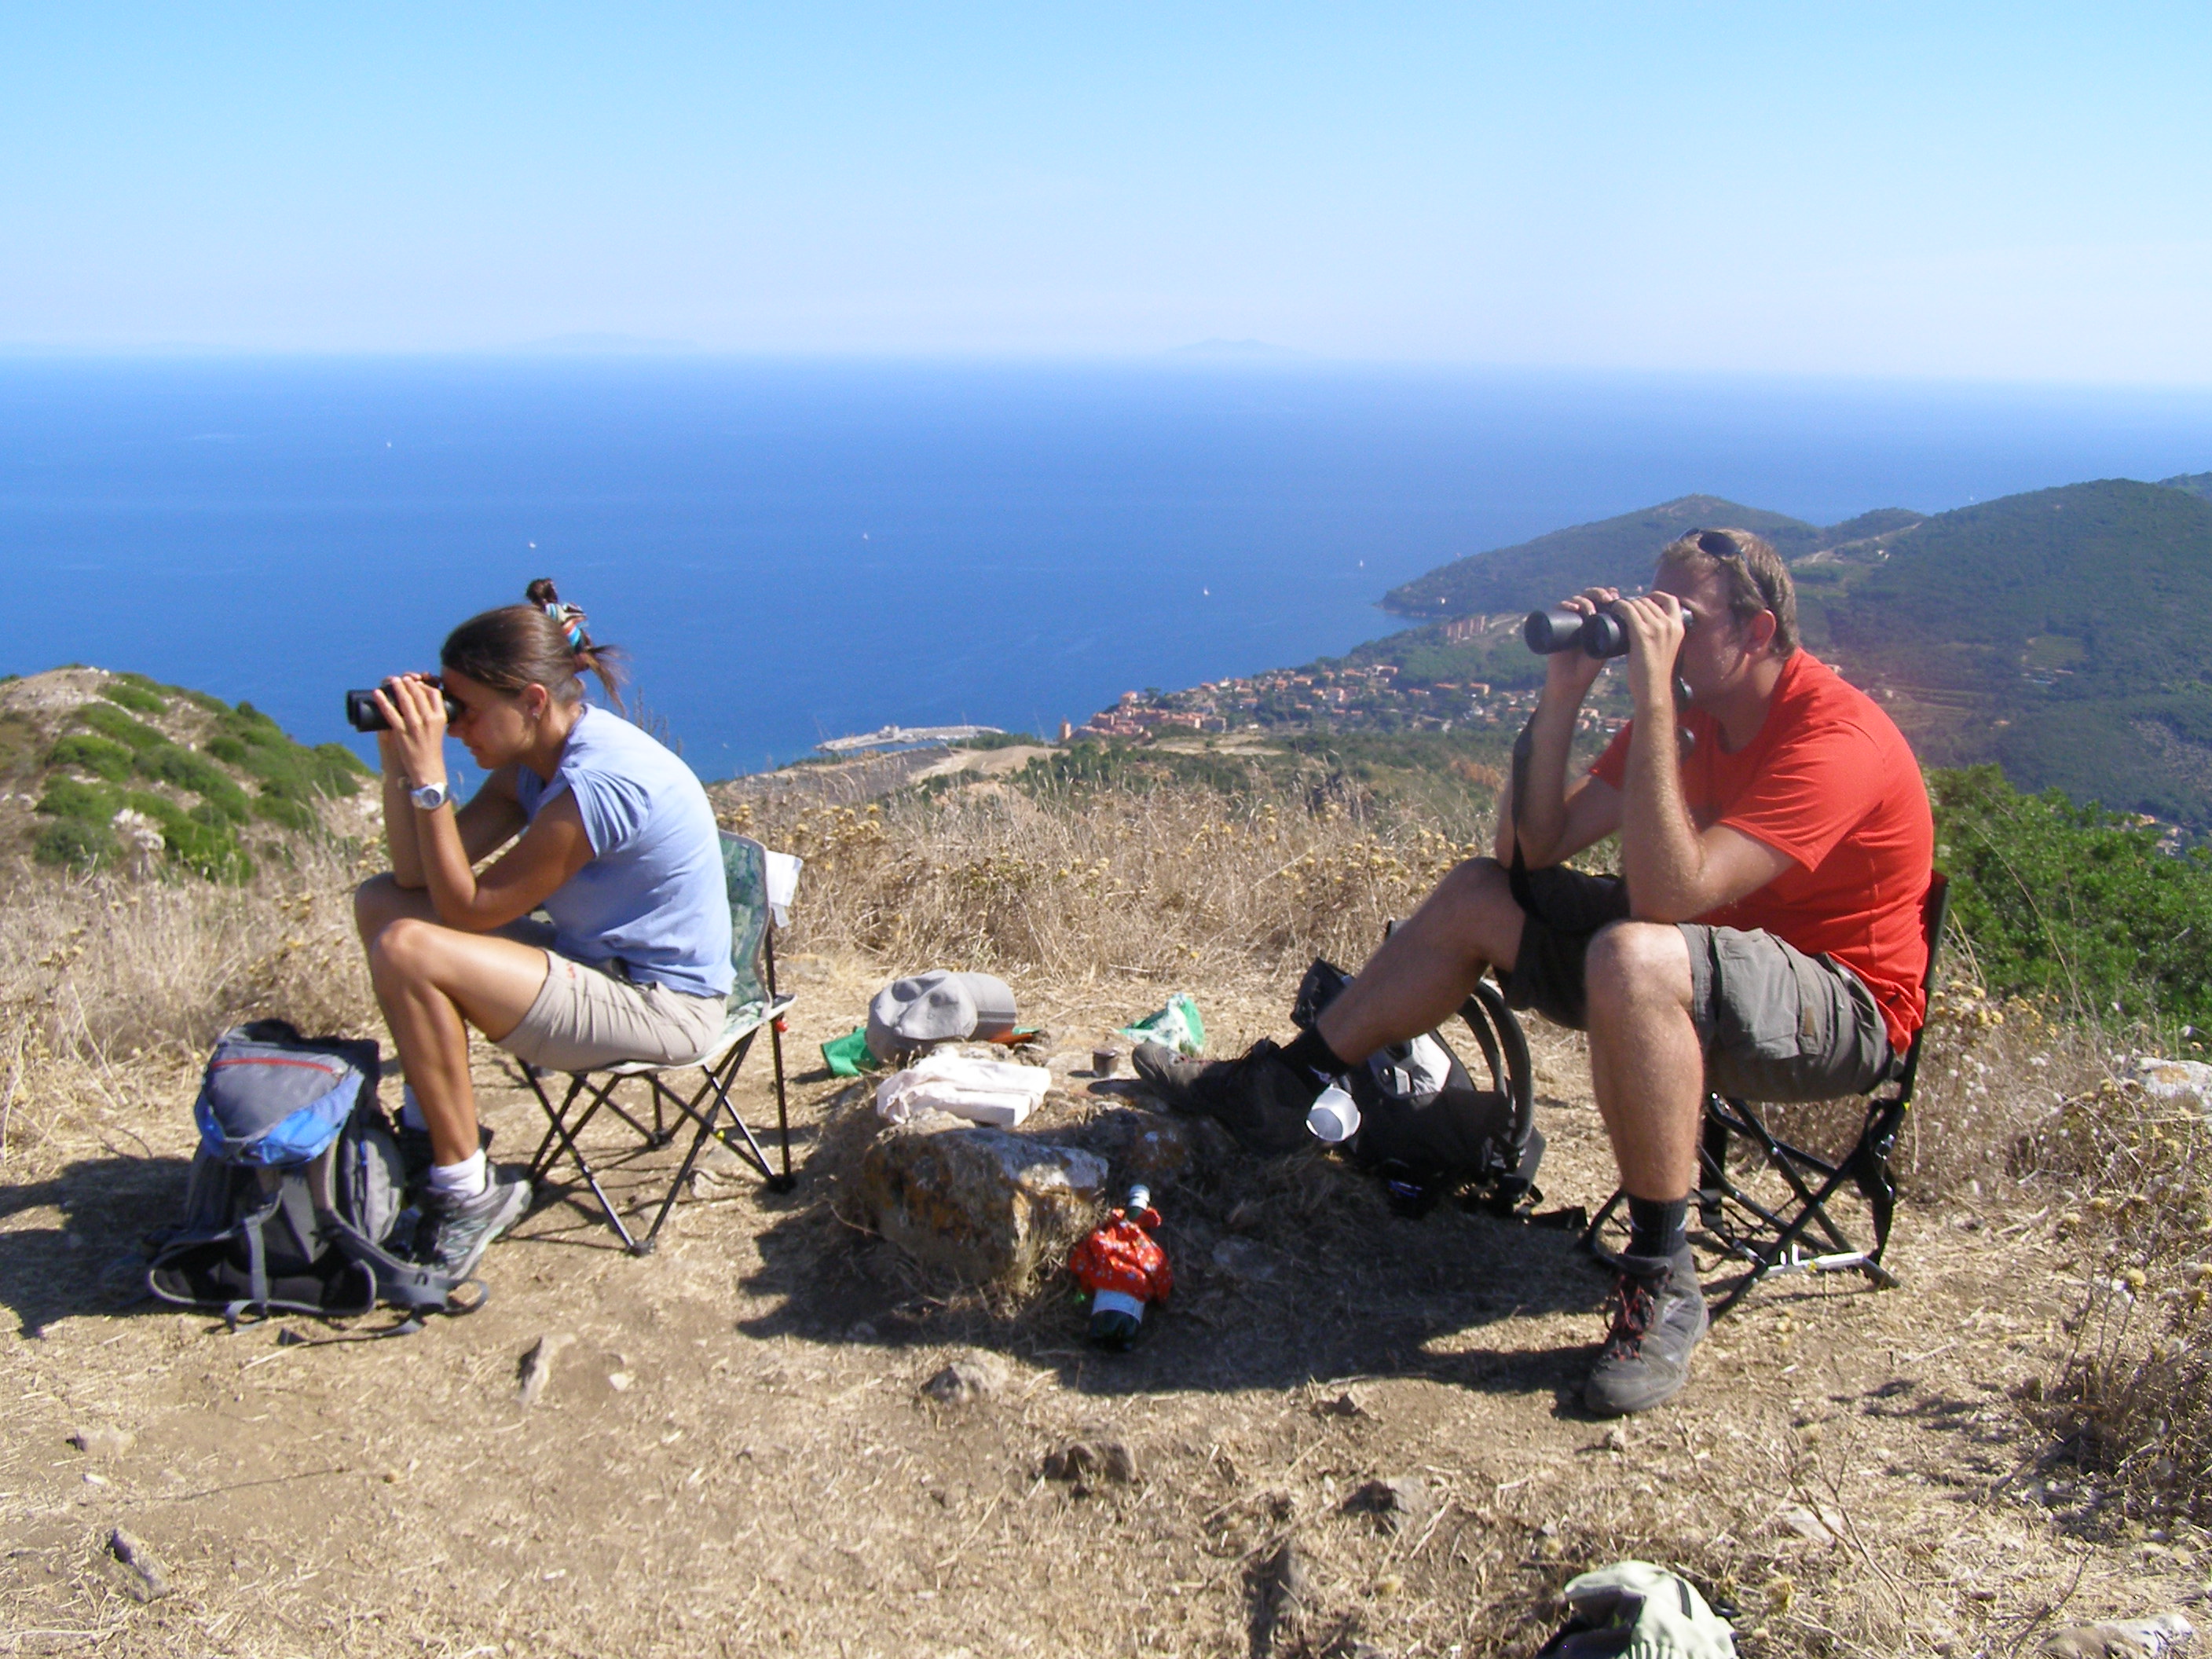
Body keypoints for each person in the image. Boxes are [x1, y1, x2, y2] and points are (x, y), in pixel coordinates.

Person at [1140, 529, 1934, 1415]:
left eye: (1680, 618)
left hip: (1837, 1009)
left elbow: (1668, 895)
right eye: (1650, 607)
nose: (1652, 630)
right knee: (1479, 894)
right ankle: (1282, 1088)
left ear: (1755, 632)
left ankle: (1660, 1275)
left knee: (1632, 955)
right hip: (1696, 955)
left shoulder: (1834, 734)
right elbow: (1526, 850)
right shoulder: (1690, 716)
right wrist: (1564, 694)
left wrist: (1652, 705)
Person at [352, 580, 732, 1278]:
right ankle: (428, 1133)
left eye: (464, 710)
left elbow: (469, 909)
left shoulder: (599, 782)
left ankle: (465, 1193)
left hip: (662, 1008)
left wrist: (433, 778)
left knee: (410, 947)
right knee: (383, 905)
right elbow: (412, 876)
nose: (455, 726)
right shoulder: (536, 759)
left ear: (531, 701)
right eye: (447, 705)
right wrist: (399, 761)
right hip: (594, 966)